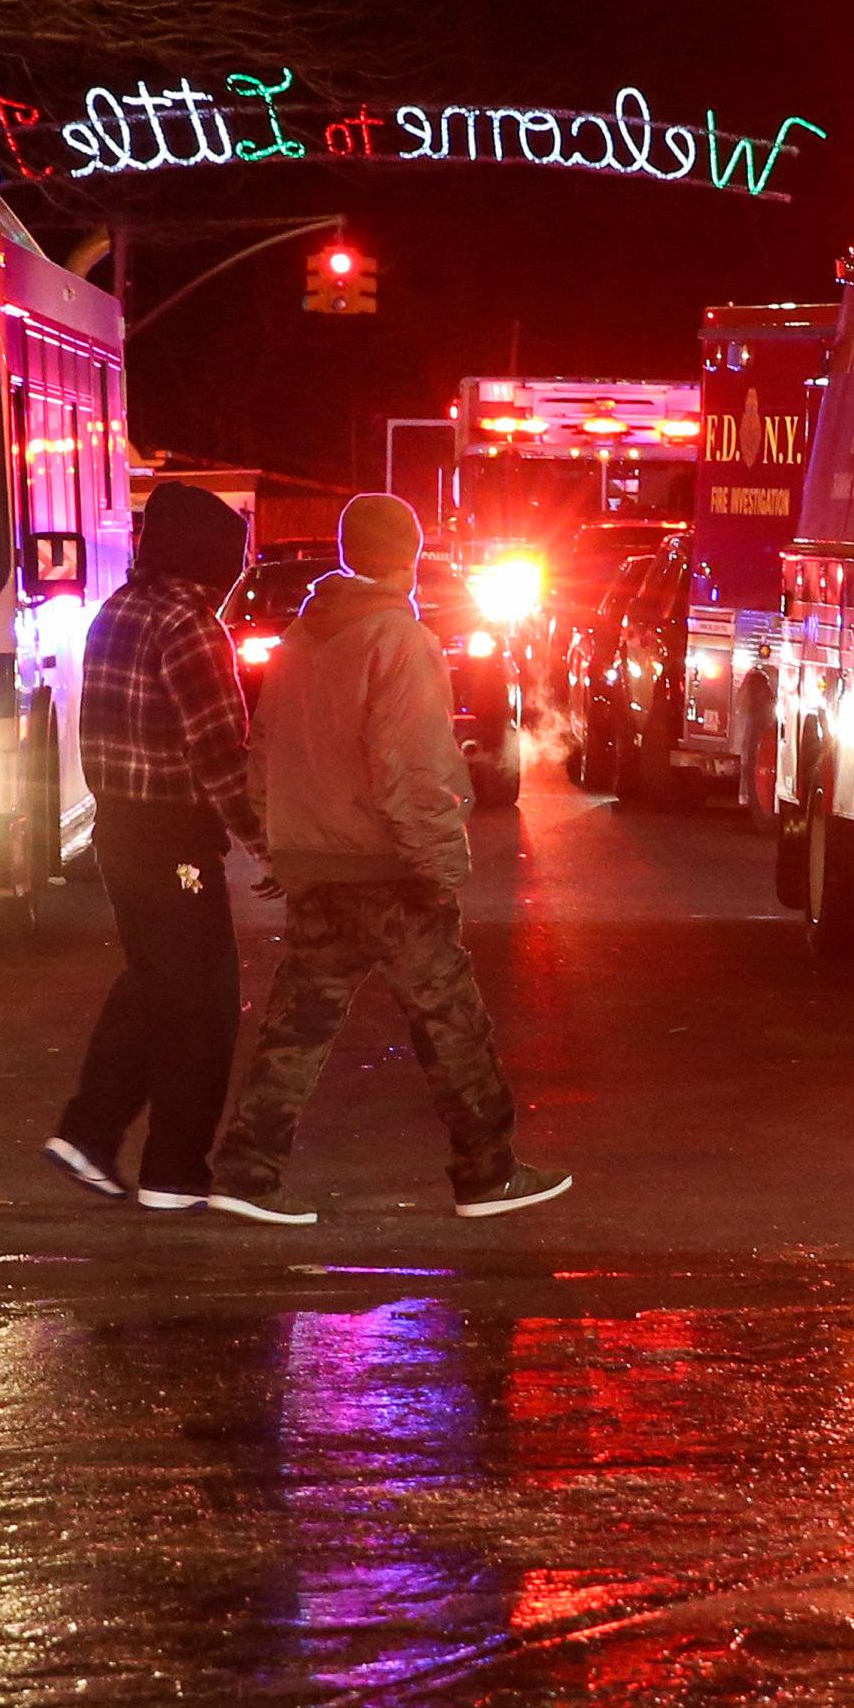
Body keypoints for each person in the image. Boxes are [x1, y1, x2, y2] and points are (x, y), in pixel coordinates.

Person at [209, 493, 571, 1226]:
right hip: (386, 869)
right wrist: (439, 861)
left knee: (298, 1025)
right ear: (407, 558)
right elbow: (413, 768)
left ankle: (249, 1169)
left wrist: (278, 845)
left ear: (347, 553)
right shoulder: (398, 641)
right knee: (452, 1020)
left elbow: (264, 751)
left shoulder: (302, 640)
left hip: (318, 865)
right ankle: (487, 1172)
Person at [46, 480, 262, 1212]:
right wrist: (268, 842)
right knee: (202, 1001)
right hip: (175, 836)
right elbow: (219, 753)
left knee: (151, 983)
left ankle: (89, 1132)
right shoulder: (191, 626)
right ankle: (174, 1169)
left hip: (120, 828)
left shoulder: (119, 609)